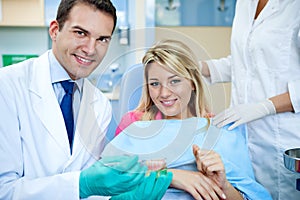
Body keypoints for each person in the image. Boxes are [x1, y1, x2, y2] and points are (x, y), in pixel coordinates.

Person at [0, 0, 172, 199]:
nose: (90, 49)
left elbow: (92, 186)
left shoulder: (99, 104)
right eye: (80, 33)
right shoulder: (7, 86)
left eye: (102, 39)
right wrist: (81, 185)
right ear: (55, 30)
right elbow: (3, 189)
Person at [112, 39, 272, 199]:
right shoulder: (134, 123)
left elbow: (252, 196)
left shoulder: (219, 130)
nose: (164, 93)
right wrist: (170, 176)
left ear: (193, 82)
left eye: (174, 81)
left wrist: (223, 184)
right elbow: (108, 182)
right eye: (155, 84)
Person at [200, 0, 300, 199]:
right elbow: (244, 61)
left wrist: (264, 107)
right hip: (244, 135)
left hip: (284, 137)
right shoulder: (245, 3)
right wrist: (199, 68)